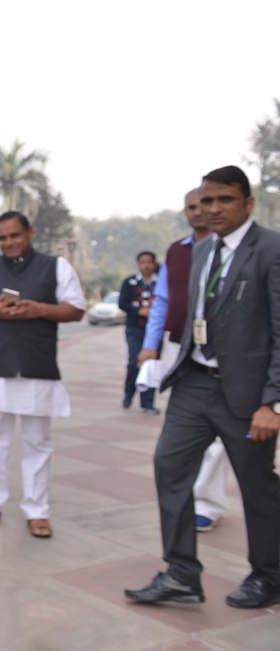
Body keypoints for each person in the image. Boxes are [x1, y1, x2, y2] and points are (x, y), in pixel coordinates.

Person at [126, 165, 280, 609]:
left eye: (225, 200)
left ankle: (268, 575)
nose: (213, 209)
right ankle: (180, 573)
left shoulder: (270, 250)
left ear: (247, 204)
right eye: (207, 201)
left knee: (257, 486)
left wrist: (273, 402)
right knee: (169, 469)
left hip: (248, 395)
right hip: (194, 382)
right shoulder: (201, 251)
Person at [0, 211, 86, 539]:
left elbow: (75, 308)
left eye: (15, 235)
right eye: (3, 238)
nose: (9, 243)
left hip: (36, 366)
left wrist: (38, 309)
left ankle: (36, 510)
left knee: (37, 442)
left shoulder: (55, 266)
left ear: (29, 233)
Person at [138, 188, 232, 532]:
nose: (198, 212)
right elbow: (162, 300)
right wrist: (150, 346)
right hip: (180, 346)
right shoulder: (177, 251)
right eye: (192, 206)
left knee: (222, 428)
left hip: (224, 350)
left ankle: (207, 502)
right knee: (185, 423)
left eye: (205, 204)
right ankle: (185, 496)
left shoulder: (231, 250)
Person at [119, 250, 159, 413]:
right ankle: (129, 394)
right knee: (135, 362)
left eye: (149, 262)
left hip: (155, 330)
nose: (146, 265)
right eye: (143, 262)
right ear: (138, 264)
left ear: (155, 264)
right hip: (135, 328)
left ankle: (147, 403)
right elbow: (122, 303)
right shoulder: (130, 282)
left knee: (151, 365)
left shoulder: (161, 283)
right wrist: (138, 311)